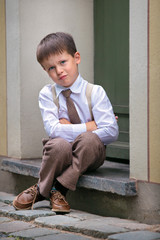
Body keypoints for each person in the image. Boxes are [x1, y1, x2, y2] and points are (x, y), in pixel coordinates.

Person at [13, 32, 119, 213]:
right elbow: (53, 131)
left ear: (76, 58)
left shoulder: (95, 92)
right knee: (59, 145)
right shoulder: (47, 94)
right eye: (51, 68)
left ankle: (48, 189)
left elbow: (111, 132)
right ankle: (53, 193)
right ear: (45, 71)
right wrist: (89, 126)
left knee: (89, 140)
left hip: (91, 154)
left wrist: (69, 129)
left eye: (63, 62)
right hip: (60, 155)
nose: (59, 71)